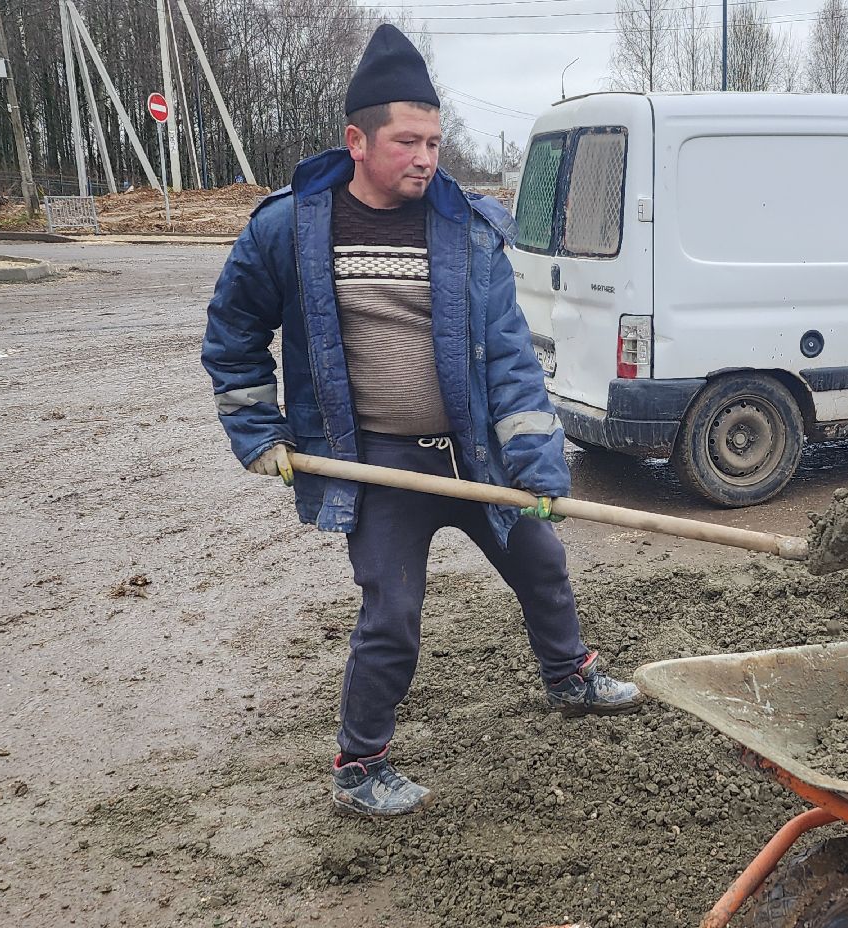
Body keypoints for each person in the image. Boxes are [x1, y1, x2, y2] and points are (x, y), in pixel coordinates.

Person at [200, 24, 639, 818]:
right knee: (392, 613)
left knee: (541, 562)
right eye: (408, 141)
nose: (427, 157)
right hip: (379, 464)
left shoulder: (466, 230)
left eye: (435, 141)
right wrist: (258, 434)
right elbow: (232, 335)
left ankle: (569, 677)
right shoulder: (290, 229)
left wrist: (537, 469)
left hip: (473, 457)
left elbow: (510, 360)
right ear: (357, 141)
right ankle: (360, 767)